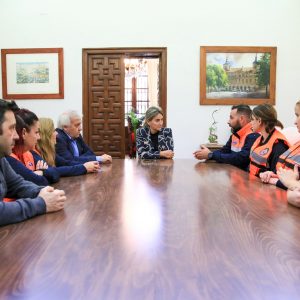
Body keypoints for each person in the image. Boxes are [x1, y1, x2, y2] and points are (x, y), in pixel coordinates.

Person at [0, 99, 66, 226]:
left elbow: (17, 184)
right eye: (12, 128)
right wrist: (42, 203)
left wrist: (41, 192)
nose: (16, 136)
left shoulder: (1, 158)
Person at [193, 105, 260, 171]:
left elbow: (241, 159)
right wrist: (206, 154)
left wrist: (211, 155)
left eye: (231, 118)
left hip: (246, 179)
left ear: (241, 119)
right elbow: (224, 151)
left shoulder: (253, 136)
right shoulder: (235, 135)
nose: (228, 121)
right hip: (234, 175)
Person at [5, 109, 60, 186]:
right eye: (36, 132)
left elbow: (55, 173)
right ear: (24, 133)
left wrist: (41, 172)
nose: (39, 137)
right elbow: (40, 182)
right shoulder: (8, 158)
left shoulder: (29, 153)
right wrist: (39, 174)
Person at [260, 100, 300, 188]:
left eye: (298, 115)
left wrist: (275, 181)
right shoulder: (297, 145)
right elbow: (288, 176)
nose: (295, 122)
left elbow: (293, 182)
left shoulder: (279, 145)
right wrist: (273, 174)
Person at [249, 103, 290, 176]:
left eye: (252, 119)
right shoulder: (259, 139)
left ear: (259, 121)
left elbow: (276, 175)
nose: (250, 123)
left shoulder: (279, 146)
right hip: (253, 181)